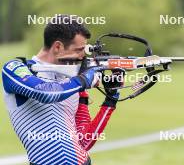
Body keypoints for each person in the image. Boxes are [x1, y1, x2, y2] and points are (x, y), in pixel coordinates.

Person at [1, 15, 121, 165]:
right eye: (78, 50)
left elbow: (83, 142)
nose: (82, 57)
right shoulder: (16, 69)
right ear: (57, 47)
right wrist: (83, 80)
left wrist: (111, 99)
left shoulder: (73, 82)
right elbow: (45, 92)